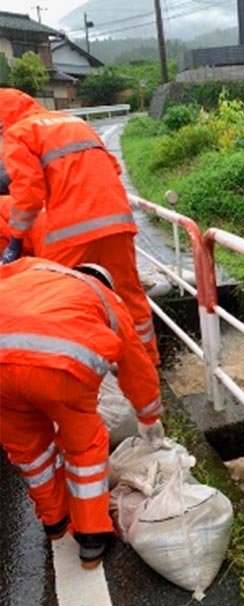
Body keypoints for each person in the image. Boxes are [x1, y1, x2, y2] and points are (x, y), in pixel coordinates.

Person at [0, 257, 165, 568]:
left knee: (29, 452)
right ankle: (91, 537)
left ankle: (54, 522)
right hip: (60, 371)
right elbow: (136, 367)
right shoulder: (106, 298)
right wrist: (149, 416)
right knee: (85, 446)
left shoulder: (34, 267)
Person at [0, 88, 159, 365]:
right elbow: (113, 167)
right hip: (117, 222)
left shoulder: (20, 133)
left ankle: (69, 369)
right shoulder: (74, 122)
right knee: (129, 295)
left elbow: (28, 194)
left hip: (71, 231)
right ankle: (148, 362)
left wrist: (15, 239)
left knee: (54, 300)